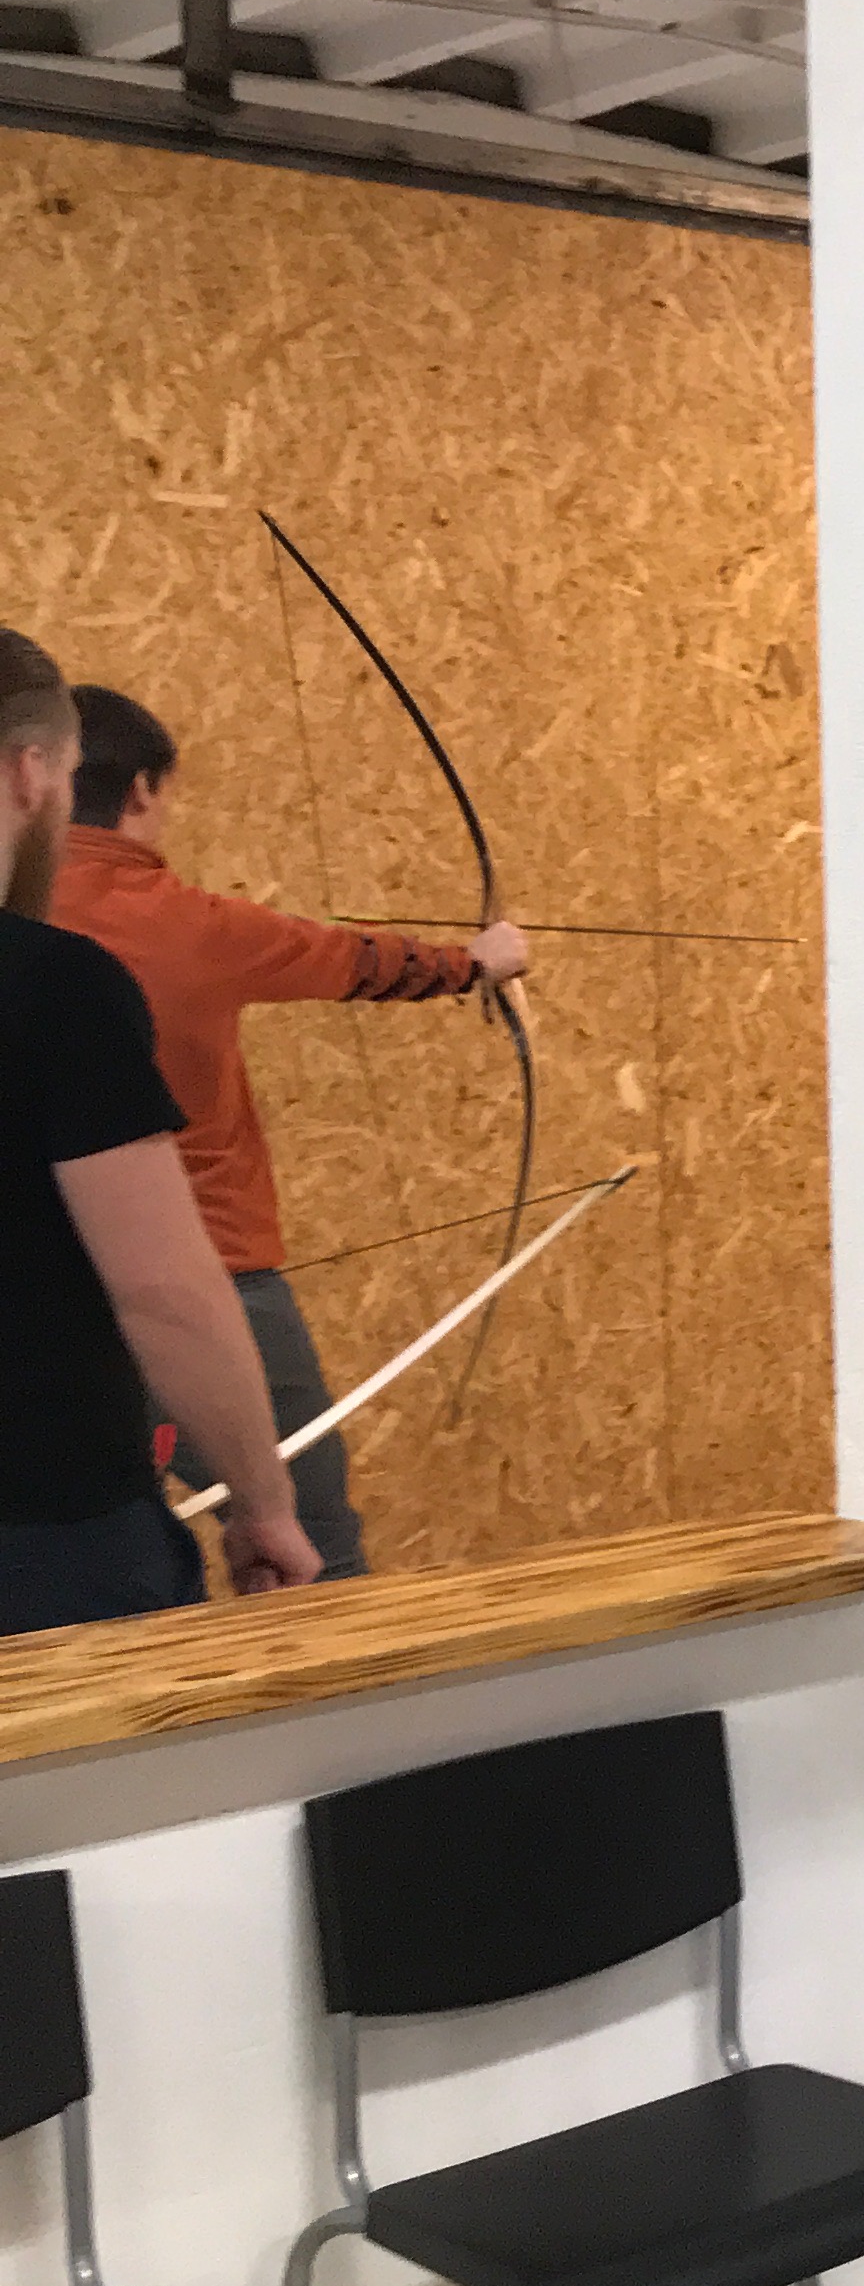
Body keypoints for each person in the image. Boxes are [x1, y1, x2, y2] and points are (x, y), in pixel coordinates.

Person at [52, 683, 527, 1580]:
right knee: (311, 1556)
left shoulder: (21, 929)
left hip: (39, 1309)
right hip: (213, 1285)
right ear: (142, 790)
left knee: (89, 1565)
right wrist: (477, 962)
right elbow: (355, 960)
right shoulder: (192, 925)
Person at [0, 633, 315, 1633]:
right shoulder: (56, 986)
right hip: (47, 1539)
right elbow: (164, 1290)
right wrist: (263, 1505)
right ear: (31, 772)